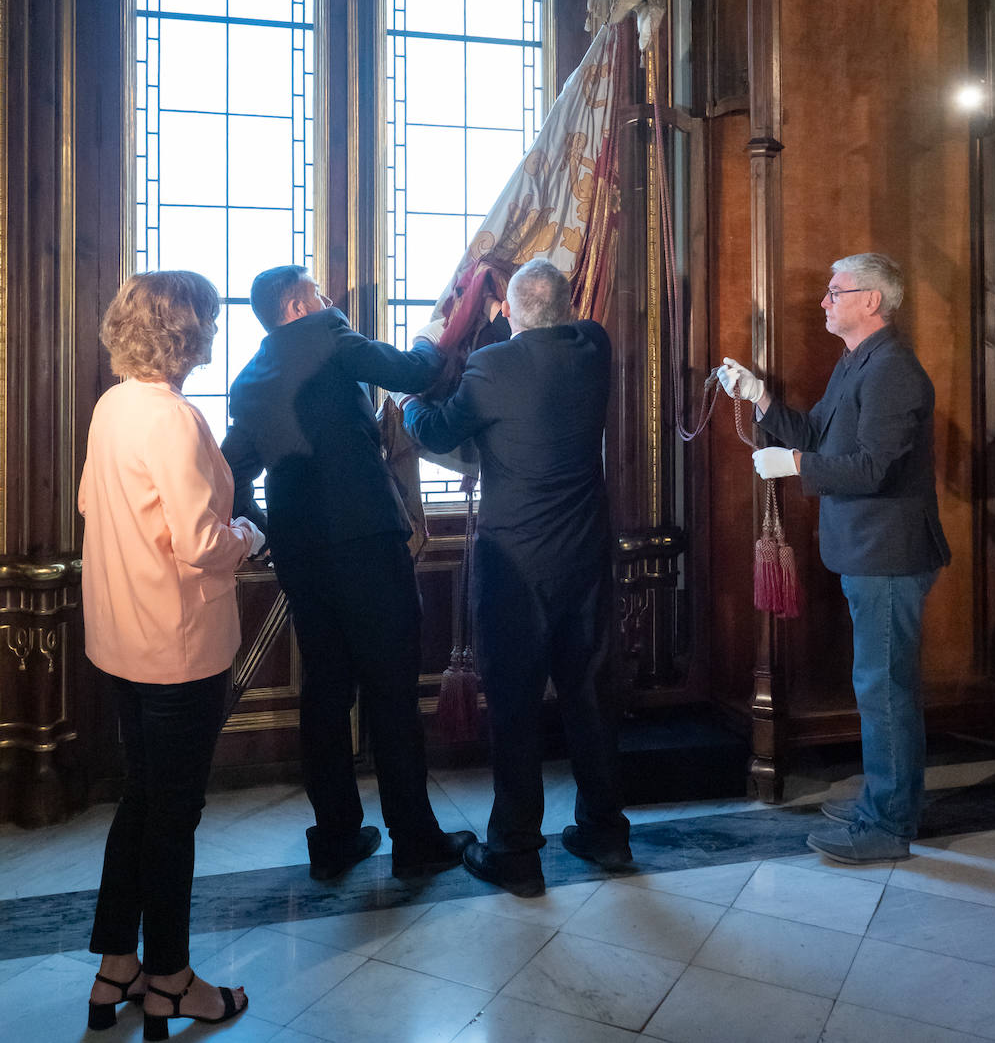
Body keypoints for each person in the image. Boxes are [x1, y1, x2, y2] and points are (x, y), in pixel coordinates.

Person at [221, 265, 473, 881]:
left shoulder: (248, 380)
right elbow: (416, 373)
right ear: (298, 307)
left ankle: (334, 839)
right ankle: (414, 842)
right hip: (368, 545)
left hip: (304, 557)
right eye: (316, 291)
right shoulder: (329, 334)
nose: (329, 298)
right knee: (390, 690)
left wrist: (268, 533)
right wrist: (437, 327)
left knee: (325, 694)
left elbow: (230, 471)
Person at [403, 258, 631, 896]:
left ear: (507, 313)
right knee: (589, 695)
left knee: (515, 706)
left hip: (516, 570)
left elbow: (438, 428)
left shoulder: (492, 367)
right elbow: (559, 320)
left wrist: (407, 400)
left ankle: (515, 852)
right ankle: (606, 834)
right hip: (585, 558)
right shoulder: (595, 348)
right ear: (566, 306)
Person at [719, 252, 950, 865]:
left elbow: (873, 469)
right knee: (879, 684)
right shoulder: (857, 363)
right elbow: (817, 433)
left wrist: (794, 467)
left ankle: (888, 823)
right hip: (868, 551)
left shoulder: (894, 369)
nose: (825, 300)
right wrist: (761, 398)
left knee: (885, 689)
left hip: (890, 554)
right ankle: (885, 801)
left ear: (871, 300)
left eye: (834, 291)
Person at [80, 270, 264, 1037]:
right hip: (179, 649)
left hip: (120, 637)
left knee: (141, 802)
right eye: (211, 321)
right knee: (173, 819)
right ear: (187, 333)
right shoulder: (175, 419)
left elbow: (94, 505)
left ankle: (115, 966)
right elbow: (199, 544)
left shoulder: (113, 404)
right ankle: (173, 980)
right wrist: (251, 536)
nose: (216, 332)